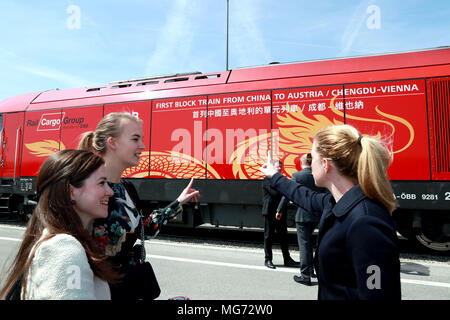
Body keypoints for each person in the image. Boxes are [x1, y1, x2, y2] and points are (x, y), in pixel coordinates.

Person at [260, 124, 401, 300]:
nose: (310, 165)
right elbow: (305, 196)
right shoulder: (337, 203)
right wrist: (274, 176)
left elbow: (379, 294)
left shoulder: (366, 222)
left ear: (326, 164)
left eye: (313, 158)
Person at [78, 112, 199, 299]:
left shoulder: (127, 188)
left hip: (127, 288)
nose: (142, 146)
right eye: (135, 139)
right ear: (113, 143)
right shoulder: (87, 190)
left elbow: (144, 229)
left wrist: (177, 203)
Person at [0, 150, 117, 300]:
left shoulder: (60, 242)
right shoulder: (63, 249)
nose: (110, 191)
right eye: (102, 183)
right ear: (71, 191)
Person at [277, 153, 327, 286]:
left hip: (302, 216)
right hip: (317, 214)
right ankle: (311, 271)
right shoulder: (318, 175)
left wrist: (280, 209)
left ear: (302, 162)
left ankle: (305, 276)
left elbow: (287, 193)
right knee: (313, 243)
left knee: (305, 245)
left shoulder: (297, 176)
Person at [262, 160, 298, 269]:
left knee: (283, 236)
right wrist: (285, 189)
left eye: (280, 167)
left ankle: (287, 259)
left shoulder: (280, 179)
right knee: (269, 236)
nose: (279, 169)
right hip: (270, 211)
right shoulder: (267, 179)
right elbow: (275, 193)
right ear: (272, 168)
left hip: (280, 211)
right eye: (277, 167)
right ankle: (268, 259)